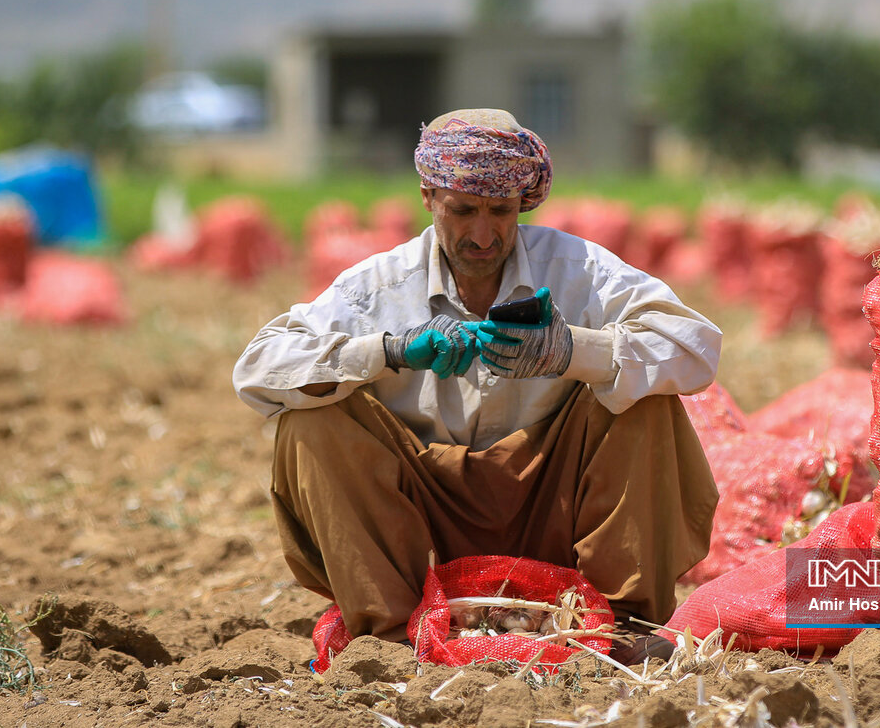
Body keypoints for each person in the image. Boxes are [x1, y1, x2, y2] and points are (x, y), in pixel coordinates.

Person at [233, 108, 721, 662]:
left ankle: (623, 628)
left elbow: (696, 347)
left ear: (523, 206)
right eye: (463, 211)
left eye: (500, 211)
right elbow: (256, 370)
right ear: (428, 198)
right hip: (424, 525)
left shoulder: (577, 270)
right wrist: (387, 351)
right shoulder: (377, 288)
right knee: (310, 418)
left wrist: (572, 351)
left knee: (644, 402)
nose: (483, 235)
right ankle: (390, 642)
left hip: (552, 505)